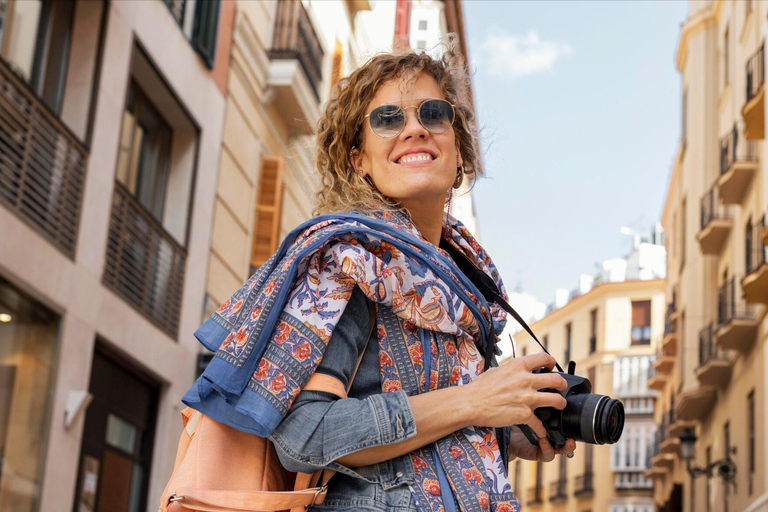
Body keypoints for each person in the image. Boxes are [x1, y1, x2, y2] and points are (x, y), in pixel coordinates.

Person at [183, 38, 576, 512]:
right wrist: (474, 401)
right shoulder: (348, 263)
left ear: (459, 155)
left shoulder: (471, 288)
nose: (415, 129)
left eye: (433, 113)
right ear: (359, 161)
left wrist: (508, 432)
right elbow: (304, 436)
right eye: (388, 119)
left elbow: (439, 432)